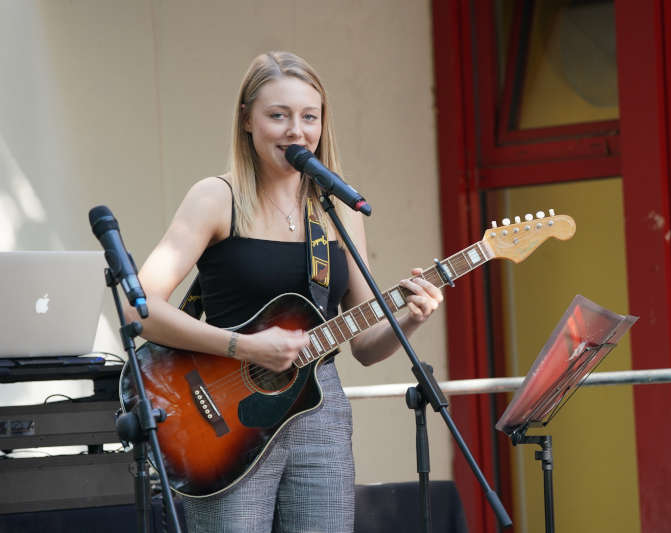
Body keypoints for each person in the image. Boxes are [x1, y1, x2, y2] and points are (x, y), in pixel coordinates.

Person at [126, 51, 443, 532]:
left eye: (309, 117)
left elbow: (364, 345)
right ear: (248, 121)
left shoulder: (337, 210)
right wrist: (245, 346)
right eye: (278, 115)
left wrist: (411, 318)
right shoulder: (217, 197)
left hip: (321, 413)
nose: (297, 131)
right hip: (222, 417)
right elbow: (139, 306)